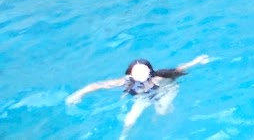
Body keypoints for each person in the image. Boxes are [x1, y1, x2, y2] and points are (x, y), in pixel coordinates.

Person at [65, 55, 210, 139]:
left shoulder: (160, 77)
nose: (140, 75)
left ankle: (160, 117)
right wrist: (78, 94)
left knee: (162, 111)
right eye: (136, 72)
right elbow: (97, 85)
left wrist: (197, 61)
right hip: (144, 97)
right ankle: (123, 137)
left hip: (166, 90)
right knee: (129, 119)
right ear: (130, 73)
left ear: (150, 71)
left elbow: (180, 68)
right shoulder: (125, 82)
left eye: (143, 71)